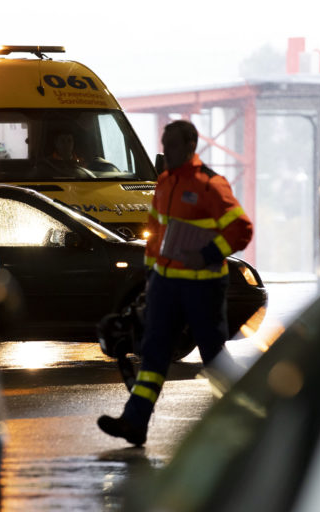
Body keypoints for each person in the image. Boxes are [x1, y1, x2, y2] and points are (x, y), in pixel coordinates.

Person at [97, 119, 253, 446]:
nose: (164, 151)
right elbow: (156, 237)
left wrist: (208, 253)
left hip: (203, 287)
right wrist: (151, 280)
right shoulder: (165, 183)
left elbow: (241, 229)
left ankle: (249, 414)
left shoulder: (210, 185)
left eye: (171, 146)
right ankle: (134, 423)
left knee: (213, 355)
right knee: (153, 356)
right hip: (166, 287)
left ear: (190, 147)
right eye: (164, 144)